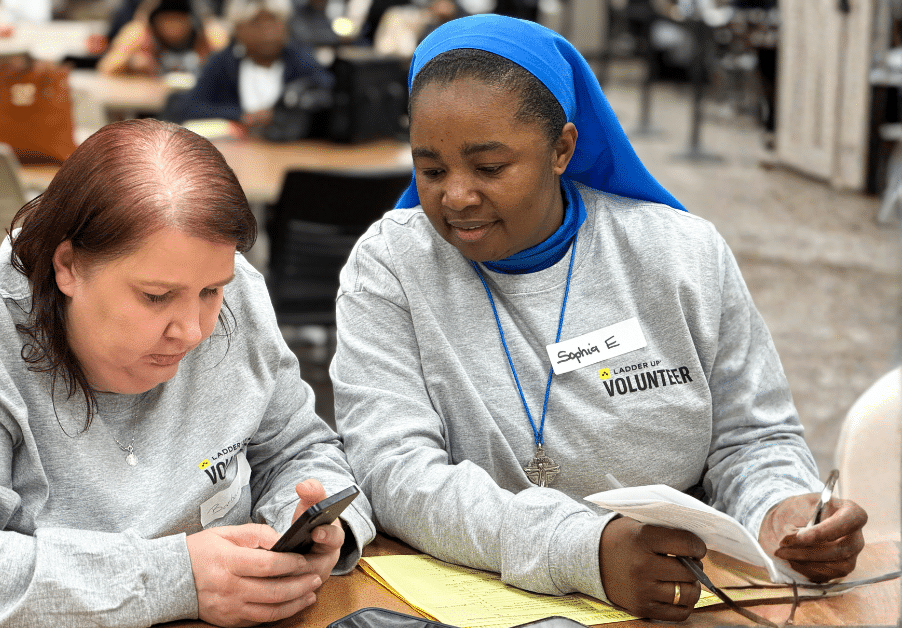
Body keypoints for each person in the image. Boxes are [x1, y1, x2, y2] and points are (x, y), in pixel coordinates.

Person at [330, 14, 867, 623]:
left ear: (562, 149)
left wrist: (785, 512)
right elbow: (395, 471)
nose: (455, 196)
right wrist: (587, 551)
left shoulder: (681, 255)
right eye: (430, 170)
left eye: (489, 168)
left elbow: (752, 438)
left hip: (683, 596)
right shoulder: (393, 266)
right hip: (475, 599)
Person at [0, 117, 375, 627]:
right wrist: (175, 578)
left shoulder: (235, 295)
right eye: (156, 296)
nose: (192, 329)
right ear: (67, 266)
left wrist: (305, 528)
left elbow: (300, 448)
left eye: (211, 291)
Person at [166, 0, 332, 132]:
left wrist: (282, 114)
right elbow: (190, 107)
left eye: (274, 21)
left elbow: (327, 93)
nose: (268, 31)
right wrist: (241, 116)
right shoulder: (223, 63)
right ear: (238, 30)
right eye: (256, 23)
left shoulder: (299, 59)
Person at [99, 0, 224, 77]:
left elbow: (230, 68)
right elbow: (105, 67)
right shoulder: (140, 33)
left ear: (190, 21)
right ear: (155, 21)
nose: (172, 28)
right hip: (147, 105)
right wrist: (131, 62)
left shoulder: (207, 35)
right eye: (166, 21)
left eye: (178, 21)